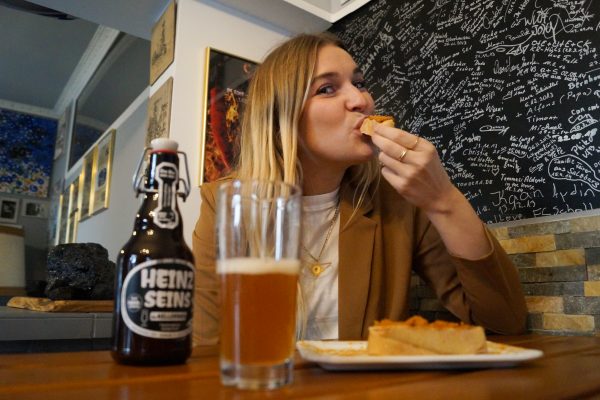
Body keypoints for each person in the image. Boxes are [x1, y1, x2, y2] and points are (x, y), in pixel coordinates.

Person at [192, 33, 527, 345]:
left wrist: (444, 200)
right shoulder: (223, 205)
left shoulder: (398, 201)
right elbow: (206, 347)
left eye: (360, 83)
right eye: (327, 89)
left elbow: (503, 322)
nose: (361, 100)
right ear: (282, 117)